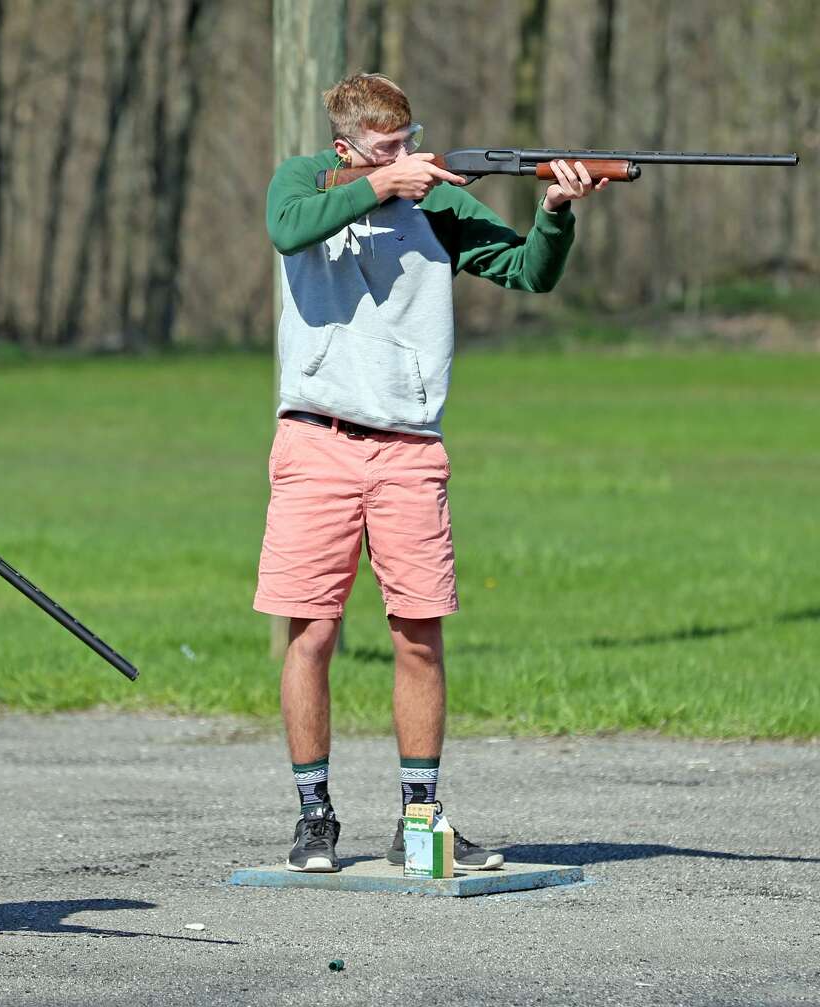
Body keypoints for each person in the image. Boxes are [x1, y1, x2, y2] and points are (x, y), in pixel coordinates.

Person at [255, 74, 607, 873]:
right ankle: (315, 816)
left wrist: (554, 212)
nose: (407, 157)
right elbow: (286, 228)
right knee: (310, 632)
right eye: (388, 148)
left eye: (410, 142)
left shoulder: (438, 205)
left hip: (410, 447)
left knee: (418, 633)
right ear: (347, 148)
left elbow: (528, 272)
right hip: (315, 439)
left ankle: (421, 819)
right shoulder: (304, 180)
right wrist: (380, 184)